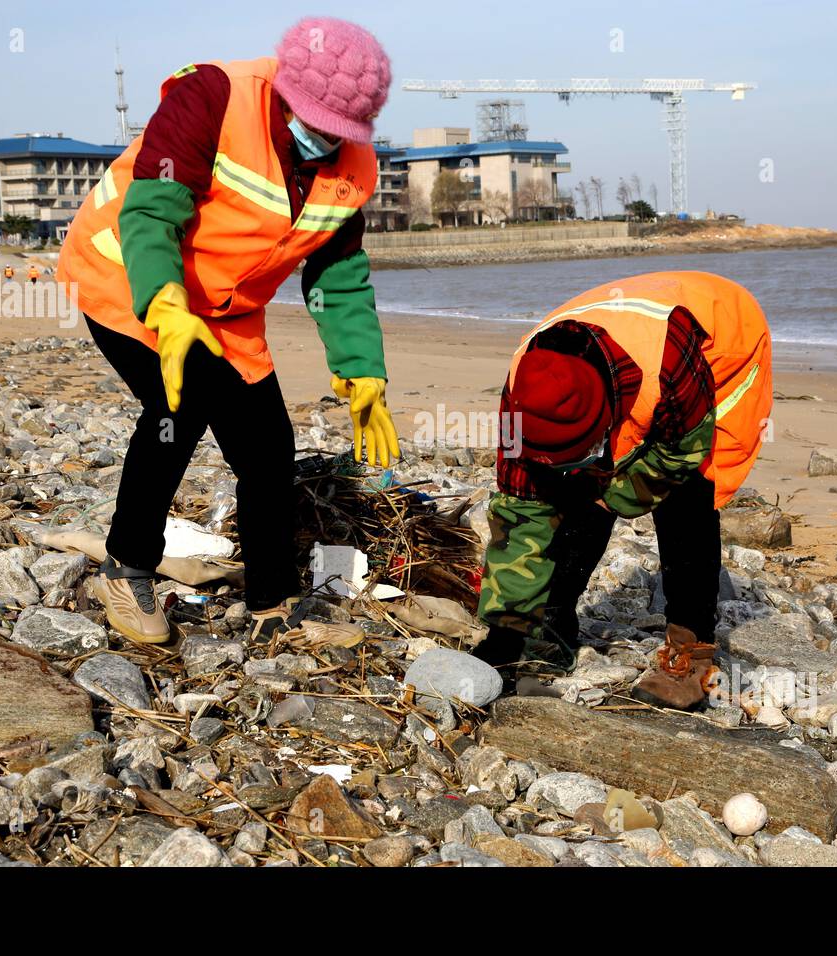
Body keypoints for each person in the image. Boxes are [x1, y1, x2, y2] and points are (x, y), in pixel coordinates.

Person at [56, 18, 398, 645]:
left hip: (223, 308)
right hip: (131, 275)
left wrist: (363, 367)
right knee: (177, 407)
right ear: (286, 92)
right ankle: (124, 568)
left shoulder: (354, 167)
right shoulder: (211, 96)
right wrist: (164, 303)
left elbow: (338, 278)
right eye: (315, 122)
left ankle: (273, 602)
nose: (324, 140)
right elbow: (153, 209)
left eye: (339, 131)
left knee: (268, 445)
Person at [475, 271, 773, 708]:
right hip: (626, 361)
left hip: (723, 348)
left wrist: (608, 496)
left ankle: (691, 654)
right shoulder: (526, 383)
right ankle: (546, 629)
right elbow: (520, 511)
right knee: (565, 491)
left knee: (687, 497)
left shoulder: (669, 359)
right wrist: (504, 635)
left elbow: (678, 457)